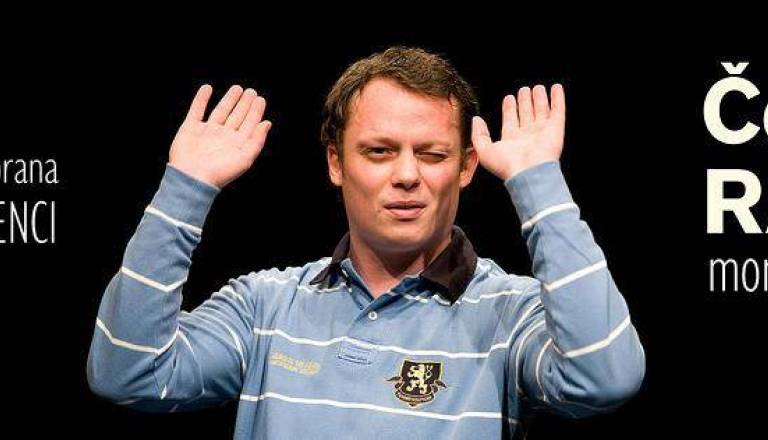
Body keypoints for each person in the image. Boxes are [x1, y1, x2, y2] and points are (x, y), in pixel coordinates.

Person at [87, 47, 645, 439]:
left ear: (466, 166)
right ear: (336, 162)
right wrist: (187, 188)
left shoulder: (509, 312)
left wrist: (537, 183)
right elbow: (128, 373)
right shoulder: (264, 307)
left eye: (432, 154)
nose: (407, 175)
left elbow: (604, 379)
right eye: (379, 151)